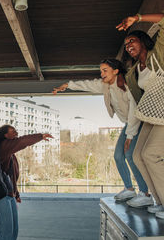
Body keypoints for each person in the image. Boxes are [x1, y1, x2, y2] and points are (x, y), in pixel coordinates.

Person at [117, 12, 164, 220]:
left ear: (143, 41)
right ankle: (161, 201)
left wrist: (137, 18)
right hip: (153, 116)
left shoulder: (159, 54)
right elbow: (136, 105)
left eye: (131, 40)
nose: (128, 45)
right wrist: (131, 134)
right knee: (136, 155)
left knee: (151, 155)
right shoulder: (133, 73)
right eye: (125, 44)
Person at [53, 59, 151, 207]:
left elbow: (134, 111)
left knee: (130, 155)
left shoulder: (127, 84)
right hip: (128, 124)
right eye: (101, 70)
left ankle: (145, 193)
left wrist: (130, 136)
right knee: (118, 156)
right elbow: (88, 84)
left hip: (139, 121)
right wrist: (68, 85)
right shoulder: (105, 86)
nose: (102, 73)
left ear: (116, 71)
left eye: (105, 70)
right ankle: (129, 189)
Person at [0, 125, 53, 240]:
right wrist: (40, 136)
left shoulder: (10, 153)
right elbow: (22, 142)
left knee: (13, 232)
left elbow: (10, 176)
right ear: (5, 135)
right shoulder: (3, 147)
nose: (16, 133)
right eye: (13, 131)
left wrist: (16, 194)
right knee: (6, 233)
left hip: (8, 194)